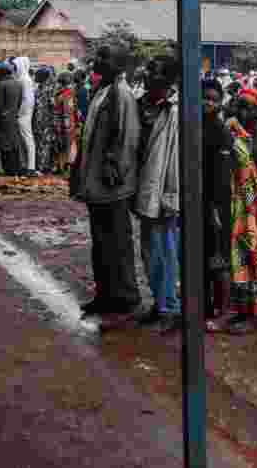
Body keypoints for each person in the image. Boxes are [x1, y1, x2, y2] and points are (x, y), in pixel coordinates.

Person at [70, 45, 141, 316]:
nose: (97, 61)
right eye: (98, 56)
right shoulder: (103, 91)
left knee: (118, 243)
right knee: (101, 243)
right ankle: (106, 294)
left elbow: (127, 139)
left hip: (112, 187)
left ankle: (125, 297)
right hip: (96, 185)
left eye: (104, 57)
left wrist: (116, 174)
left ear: (119, 65)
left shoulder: (122, 95)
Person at [133, 55, 182, 331]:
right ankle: (159, 300)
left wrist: (171, 197)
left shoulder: (175, 110)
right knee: (149, 250)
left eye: (156, 71)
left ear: (169, 79)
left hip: (164, 191)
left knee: (165, 250)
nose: (148, 74)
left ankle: (169, 307)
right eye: (149, 69)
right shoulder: (142, 104)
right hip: (144, 187)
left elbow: (176, 158)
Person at [226, 89, 257, 331]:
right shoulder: (230, 130)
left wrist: (256, 128)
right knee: (240, 257)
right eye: (240, 105)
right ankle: (243, 310)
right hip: (239, 205)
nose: (243, 111)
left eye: (249, 107)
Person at [201, 79, 234, 332]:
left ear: (221, 101)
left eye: (213, 98)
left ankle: (222, 310)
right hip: (200, 201)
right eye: (205, 97)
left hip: (216, 204)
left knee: (218, 259)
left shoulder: (221, 130)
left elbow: (221, 177)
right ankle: (205, 305)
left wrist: (215, 208)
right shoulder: (198, 125)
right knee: (203, 257)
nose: (208, 102)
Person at [0, 60, 24, 176]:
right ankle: (16, 168)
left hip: (3, 119)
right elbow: (19, 102)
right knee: (14, 144)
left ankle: (8, 169)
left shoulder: (1, 85)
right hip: (13, 117)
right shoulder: (18, 83)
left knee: (5, 145)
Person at [14, 57, 37, 177]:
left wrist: (20, 113)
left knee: (28, 140)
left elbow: (27, 100)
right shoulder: (21, 78)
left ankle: (31, 167)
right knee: (22, 141)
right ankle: (24, 165)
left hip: (24, 114)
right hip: (22, 114)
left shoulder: (25, 80)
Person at [52, 72, 77, 175]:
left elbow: (67, 111)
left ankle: (62, 166)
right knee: (64, 145)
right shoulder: (67, 93)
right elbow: (70, 110)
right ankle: (62, 165)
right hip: (65, 123)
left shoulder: (64, 94)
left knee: (62, 145)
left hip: (63, 123)